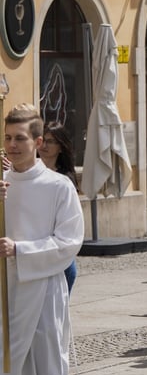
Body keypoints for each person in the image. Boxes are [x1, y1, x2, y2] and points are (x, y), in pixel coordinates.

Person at [0, 104, 84, 375]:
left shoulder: (58, 186)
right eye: (7, 138)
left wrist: (21, 249)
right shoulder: (2, 185)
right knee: (7, 373)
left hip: (45, 289)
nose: (12, 145)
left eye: (20, 138)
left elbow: (69, 242)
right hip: (6, 291)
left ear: (38, 142)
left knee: (49, 373)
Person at [38, 121, 79, 292]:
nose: (44, 145)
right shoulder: (26, 172)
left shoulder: (64, 180)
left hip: (57, 254)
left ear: (61, 147)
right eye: (42, 140)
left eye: (51, 141)